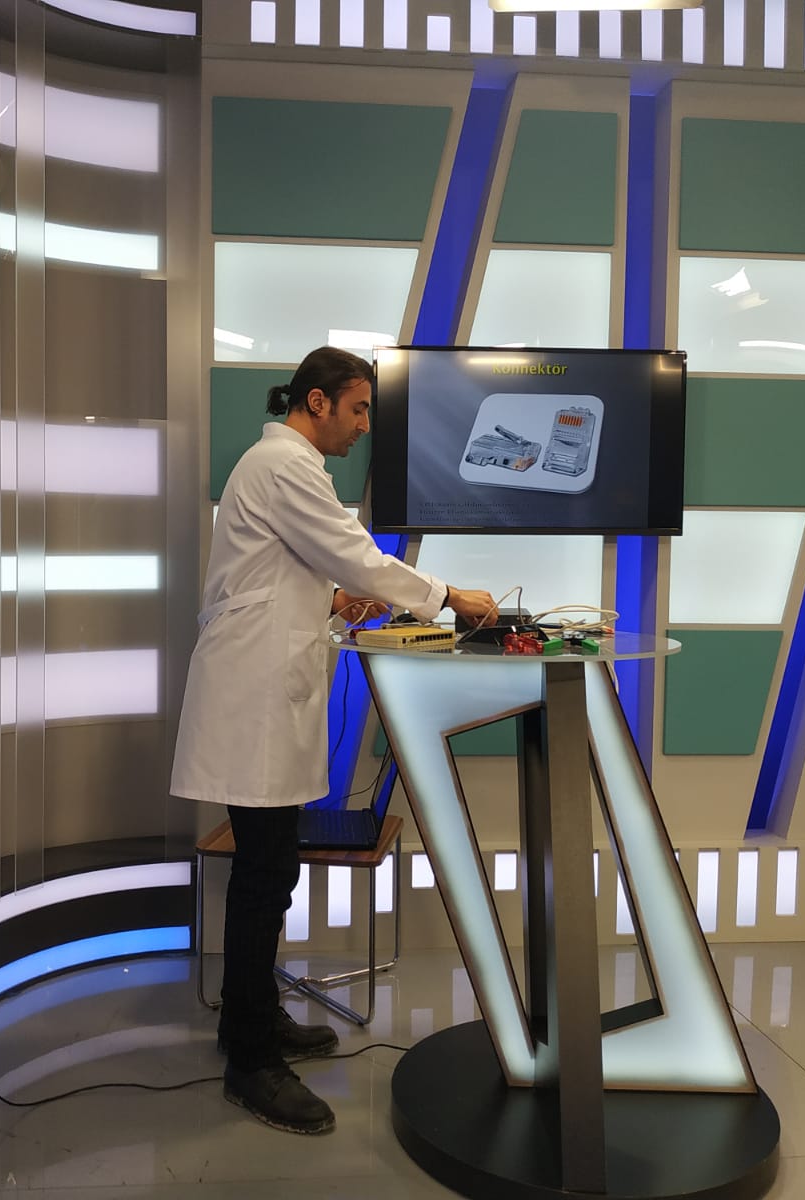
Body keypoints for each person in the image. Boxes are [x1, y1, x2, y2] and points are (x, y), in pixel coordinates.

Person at [171, 345, 498, 1136]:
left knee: (271, 868)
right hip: (251, 699)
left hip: (262, 691)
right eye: (357, 409)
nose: (363, 426)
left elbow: (281, 577)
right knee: (264, 874)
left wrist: (331, 602)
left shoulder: (282, 468)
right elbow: (354, 554)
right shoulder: (285, 465)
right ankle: (251, 1061)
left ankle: (251, 1020)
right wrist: (448, 595)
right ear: (316, 403)